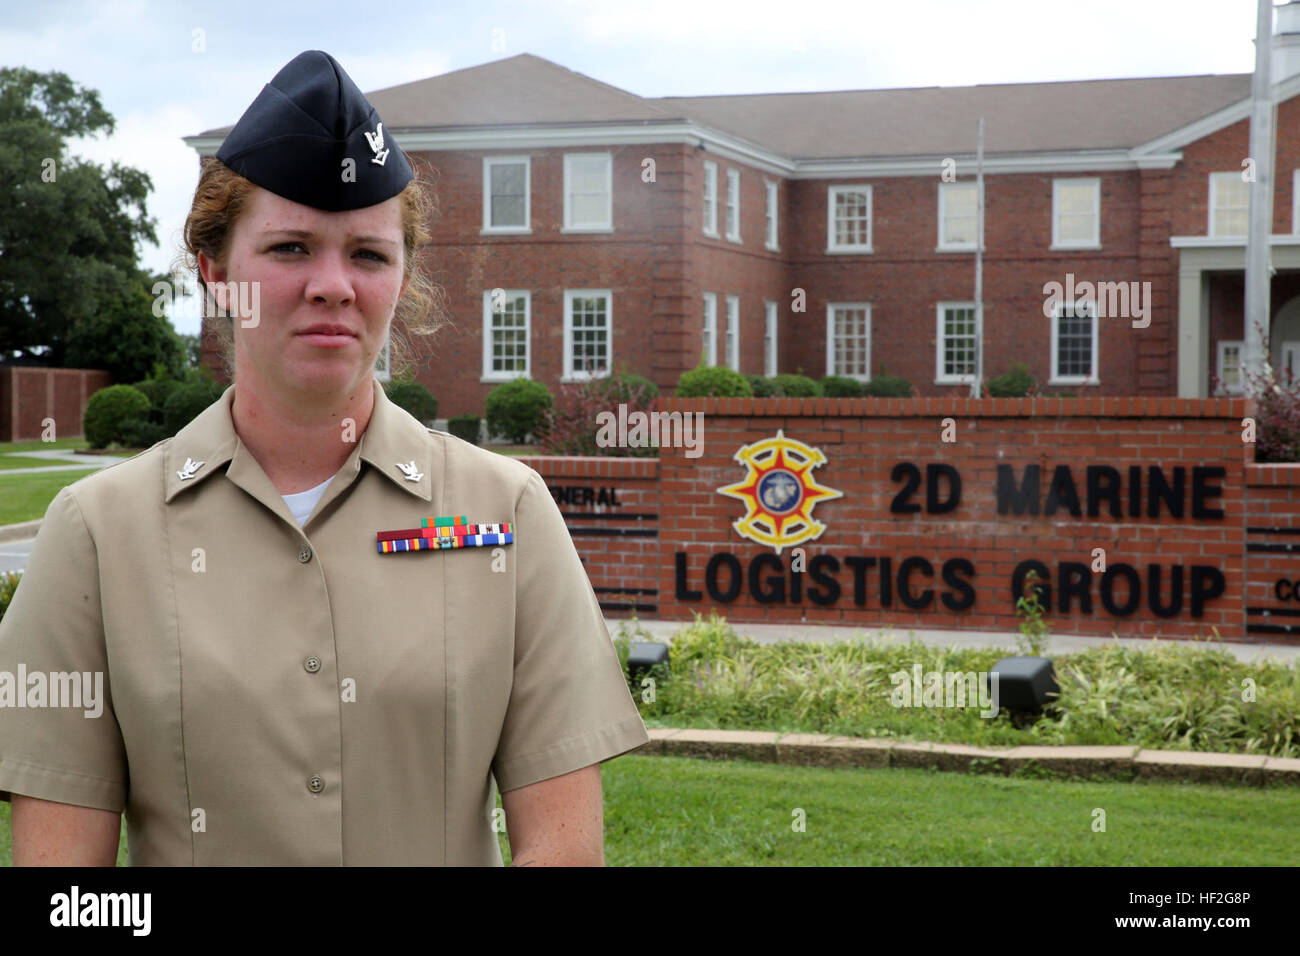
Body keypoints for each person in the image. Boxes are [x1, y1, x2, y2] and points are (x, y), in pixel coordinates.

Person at [0, 50, 649, 866]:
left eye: (369, 254)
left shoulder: (505, 514)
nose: (334, 285)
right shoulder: (97, 535)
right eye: (292, 249)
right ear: (214, 273)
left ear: (402, 276)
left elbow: (563, 853)